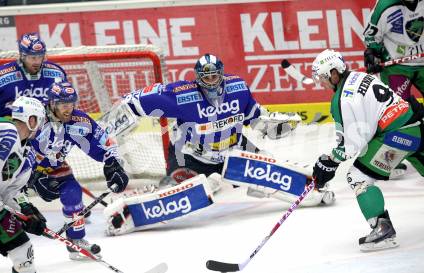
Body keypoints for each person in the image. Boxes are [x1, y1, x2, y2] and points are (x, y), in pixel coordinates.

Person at [121, 53, 333, 204]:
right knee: (182, 191)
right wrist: (114, 124)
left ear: (221, 74)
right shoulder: (181, 95)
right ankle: (159, 197)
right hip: (192, 158)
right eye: (206, 77)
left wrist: (274, 125)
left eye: (215, 76)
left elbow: (256, 118)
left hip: (234, 150)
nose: (211, 82)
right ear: (197, 78)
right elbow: (133, 101)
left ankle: (312, 188)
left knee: (270, 167)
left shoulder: (238, 88)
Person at [310, 49, 424, 252]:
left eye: (323, 77)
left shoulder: (342, 100)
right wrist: (332, 158)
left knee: (357, 176)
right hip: (415, 124)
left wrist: (329, 162)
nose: (322, 82)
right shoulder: (358, 76)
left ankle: (383, 229)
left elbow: (354, 144)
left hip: (399, 136)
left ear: (334, 73)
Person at [27, 81, 128, 260]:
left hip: (55, 166)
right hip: (22, 170)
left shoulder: (79, 121)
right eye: (64, 105)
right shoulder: (36, 117)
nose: (68, 109)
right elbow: (17, 145)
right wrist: (30, 177)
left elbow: (103, 142)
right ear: (52, 103)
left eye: (71, 104)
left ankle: (76, 241)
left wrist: (113, 164)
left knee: (73, 192)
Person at [0, 96, 47, 273]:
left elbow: (11, 193)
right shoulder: (4, 130)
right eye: (40, 120)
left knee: (24, 256)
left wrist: (25, 213)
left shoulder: (28, 155)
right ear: (32, 119)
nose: (41, 126)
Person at [0, 32, 67, 119]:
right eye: (33, 57)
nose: (37, 62)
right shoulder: (1, 76)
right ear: (22, 56)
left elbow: (67, 99)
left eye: (40, 57)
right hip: (10, 125)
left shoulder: (57, 73)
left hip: (44, 125)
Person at [363, 0, 424, 99]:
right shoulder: (385, 5)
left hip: (422, 63)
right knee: (398, 109)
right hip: (396, 67)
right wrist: (373, 53)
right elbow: (370, 35)